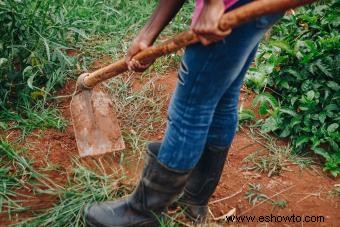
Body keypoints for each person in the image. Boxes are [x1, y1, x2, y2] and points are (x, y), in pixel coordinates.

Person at [85, 0, 283, 226]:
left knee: (190, 109)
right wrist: (147, 34)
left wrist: (211, 5)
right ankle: (194, 199)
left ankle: (140, 213)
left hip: (230, 6)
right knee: (223, 98)